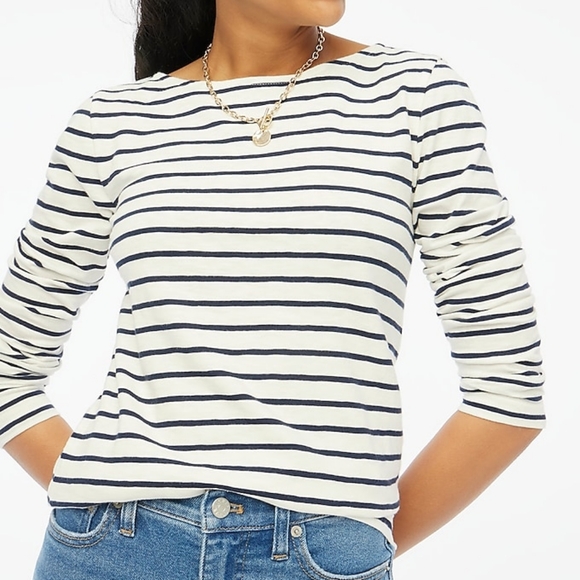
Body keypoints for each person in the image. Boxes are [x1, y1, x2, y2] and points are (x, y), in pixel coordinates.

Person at [0, 1, 546, 578]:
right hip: (109, 551)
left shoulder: (414, 96)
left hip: (317, 556)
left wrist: (352, 546)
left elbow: (509, 390)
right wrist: (96, 495)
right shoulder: (114, 122)